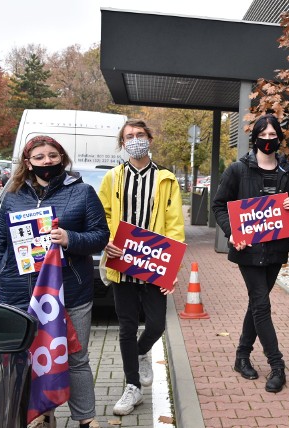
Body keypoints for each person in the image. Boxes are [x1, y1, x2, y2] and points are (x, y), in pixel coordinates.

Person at [0, 135, 109, 428]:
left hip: (68, 293)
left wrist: (70, 239)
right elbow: (0, 245)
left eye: (52, 155)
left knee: (75, 357)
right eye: (39, 157)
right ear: (28, 163)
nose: (47, 162)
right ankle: (39, 415)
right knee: (24, 358)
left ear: (62, 158)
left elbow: (100, 236)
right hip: (18, 292)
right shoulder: (13, 196)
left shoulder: (83, 193)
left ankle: (86, 418)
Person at [211, 113, 289, 393]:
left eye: (272, 136)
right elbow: (219, 205)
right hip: (248, 251)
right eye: (262, 136)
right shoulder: (238, 170)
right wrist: (233, 233)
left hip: (275, 251)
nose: (267, 141)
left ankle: (241, 356)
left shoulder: (288, 174)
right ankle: (277, 365)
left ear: (279, 139)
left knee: (256, 304)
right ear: (254, 138)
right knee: (262, 304)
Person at [99, 119, 185, 416]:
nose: (134, 140)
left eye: (139, 135)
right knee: (125, 327)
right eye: (128, 137)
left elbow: (174, 226)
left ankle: (142, 351)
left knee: (157, 323)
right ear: (122, 144)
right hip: (122, 262)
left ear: (149, 138)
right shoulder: (113, 178)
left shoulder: (166, 178)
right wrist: (107, 241)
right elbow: (103, 215)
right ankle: (132, 387)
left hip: (153, 263)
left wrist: (170, 270)